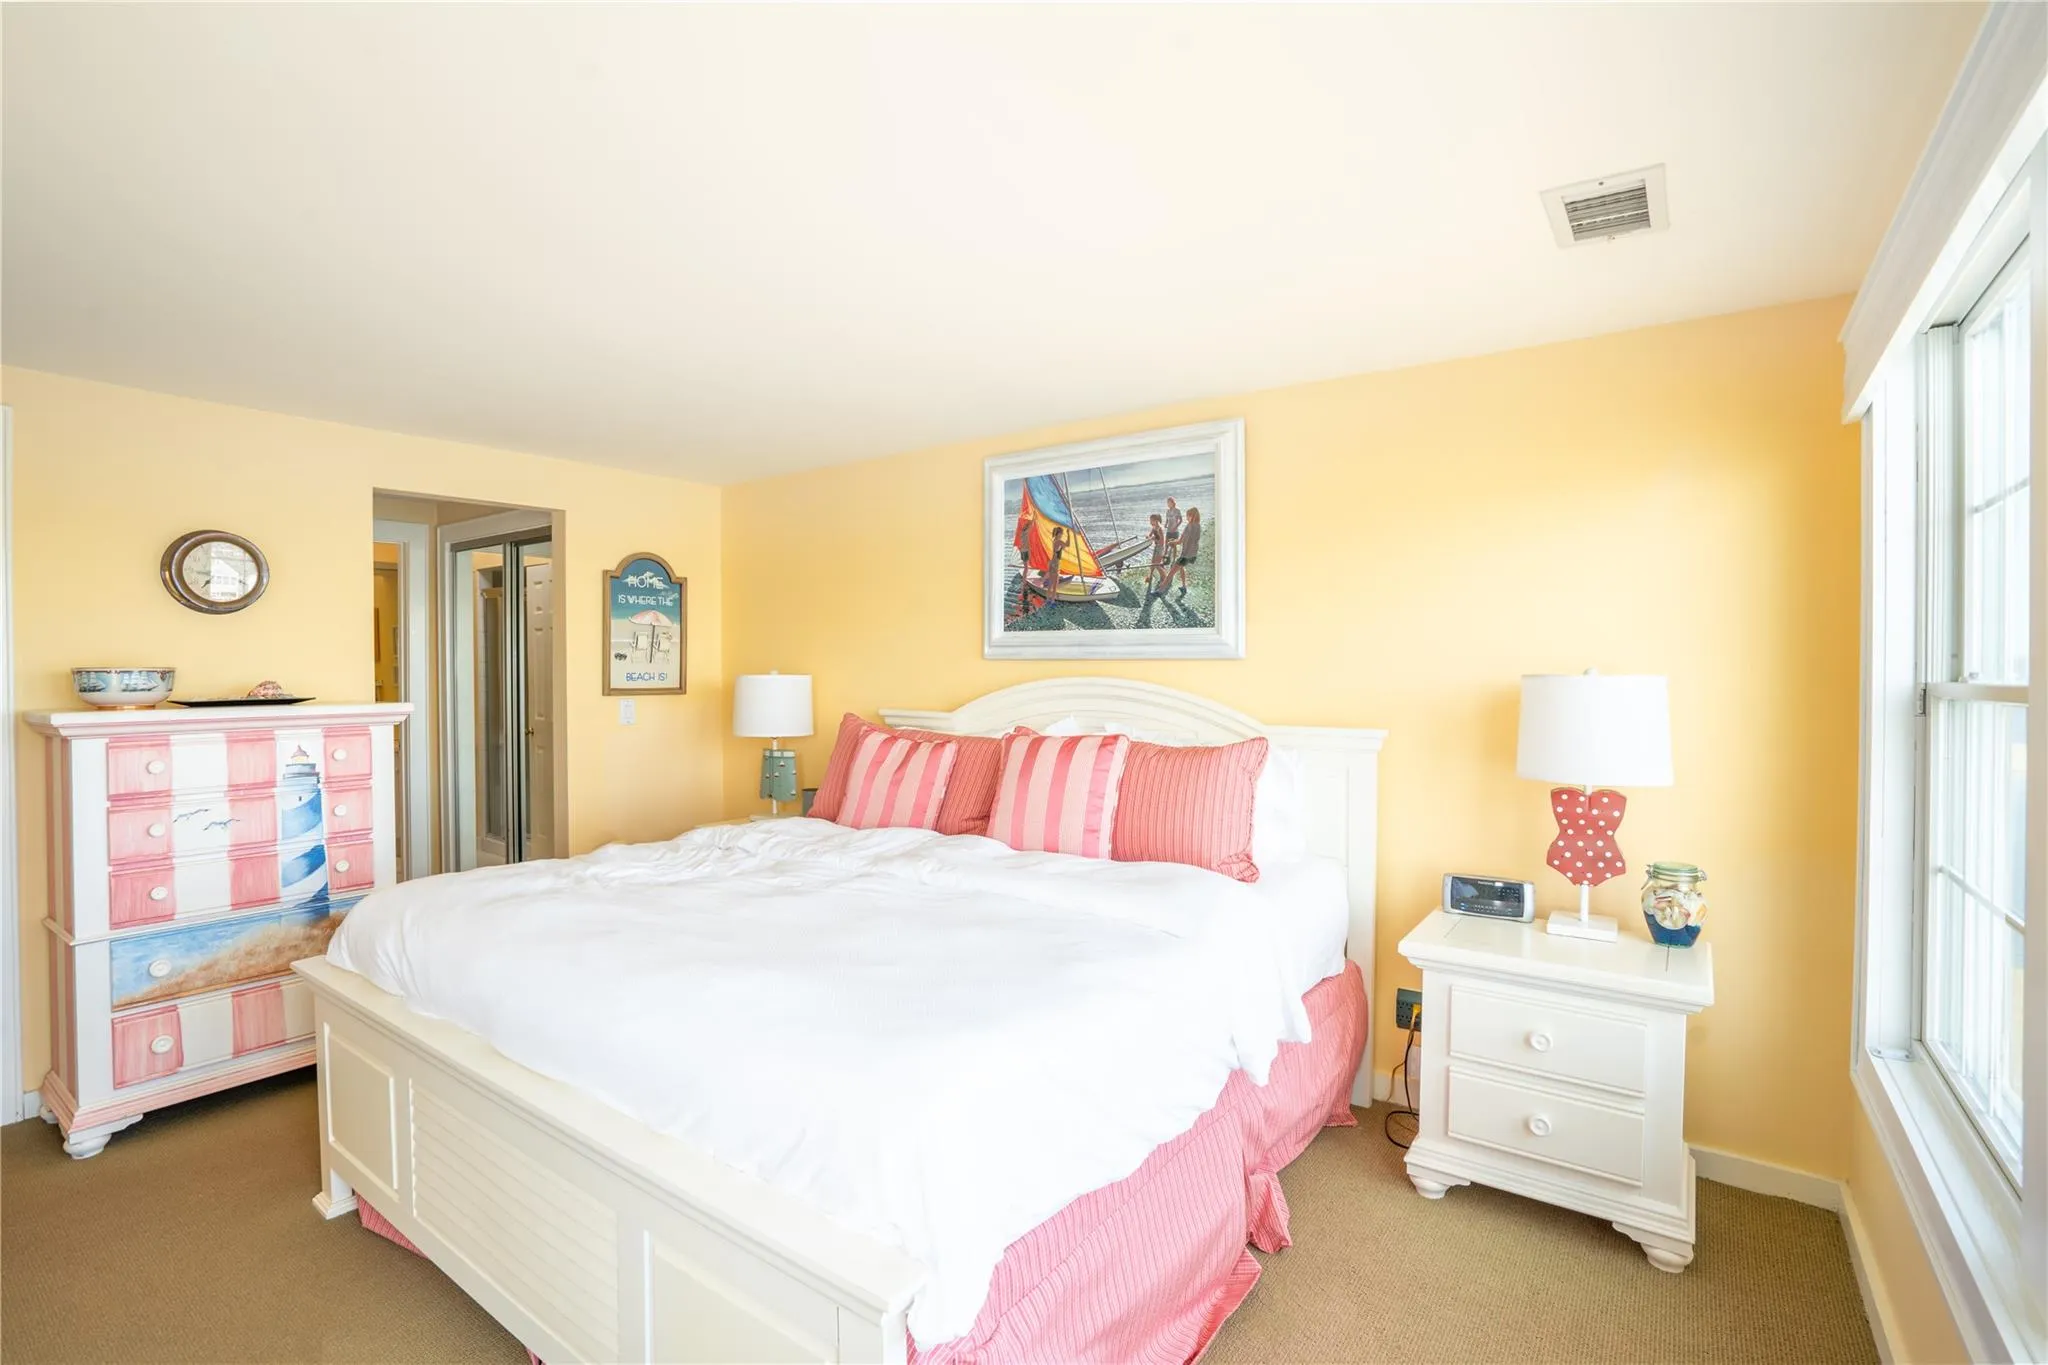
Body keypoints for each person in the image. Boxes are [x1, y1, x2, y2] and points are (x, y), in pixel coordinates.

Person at [1166, 507, 1201, 600]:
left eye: (1187, 516)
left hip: (1185, 555)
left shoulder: (1189, 526)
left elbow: (1180, 541)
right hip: (1193, 554)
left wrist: (1172, 542)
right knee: (1181, 568)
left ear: (1192, 516)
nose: (1186, 518)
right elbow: (1192, 540)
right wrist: (1176, 541)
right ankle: (1184, 587)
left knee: (1171, 572)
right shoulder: (1198, 526)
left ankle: (1161, 589)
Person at [1142, 512, 1169, 598]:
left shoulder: (1160, 528)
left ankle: (1165, 579)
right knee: (1152, 563)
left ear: (1156, 520)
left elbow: (1161, 540)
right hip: (1156, 547)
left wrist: (1153, 538)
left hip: (1160, 547)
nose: (1150, 522)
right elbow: (1151, 534)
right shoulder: (1154, 527)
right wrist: (1148, 536)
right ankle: (1150, 577)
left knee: (1157, 564)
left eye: (1151, 520)